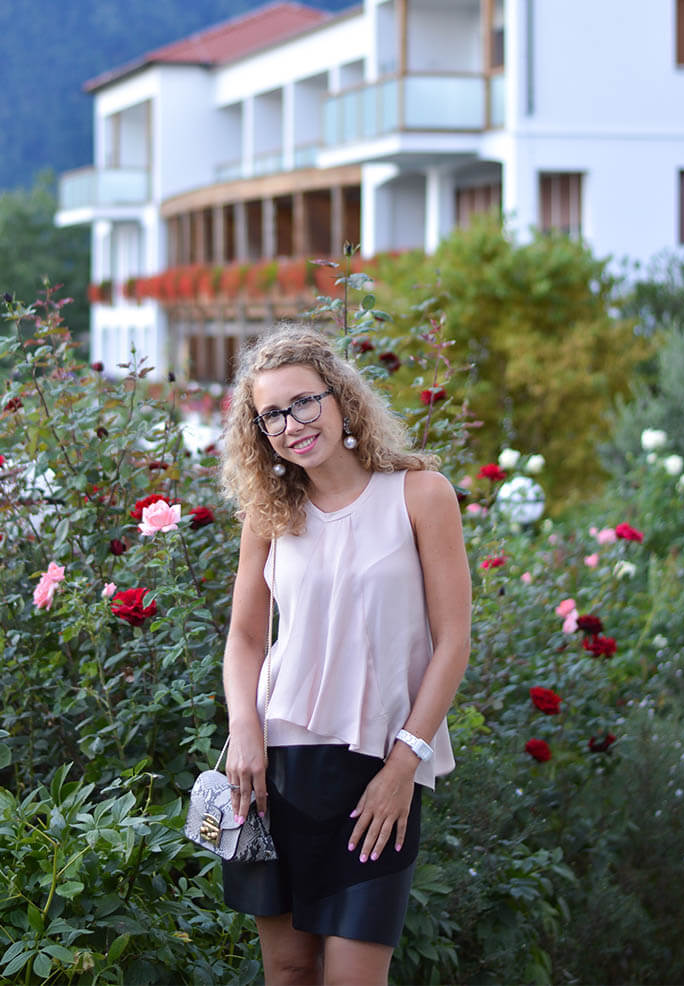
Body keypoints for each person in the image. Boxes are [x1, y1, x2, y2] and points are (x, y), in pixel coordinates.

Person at [219, 324, 471, 986]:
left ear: (341, 399)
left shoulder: (420, 494)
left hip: (379, 772)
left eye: (304, 402)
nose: (291, 424)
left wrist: (404, 764)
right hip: (272, 771)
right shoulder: (269, 516)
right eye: (271, 414)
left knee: (356, 977)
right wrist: (243, 729)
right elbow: (246, 636)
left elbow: (454, 639)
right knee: (290, 972)